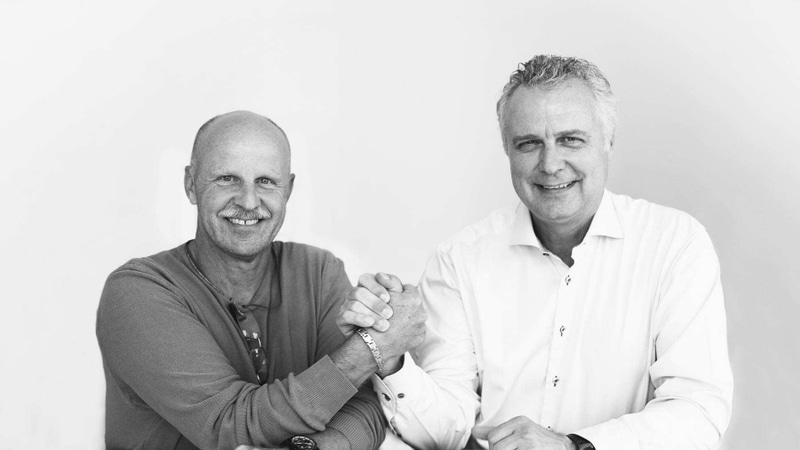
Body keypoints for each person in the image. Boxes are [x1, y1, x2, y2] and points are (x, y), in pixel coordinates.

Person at [338, 55, 734, 449]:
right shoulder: (458, 260)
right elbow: (447, 431)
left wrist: (571, 446)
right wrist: (389, 357)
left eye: (570, 139)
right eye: (529, 144)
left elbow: (698, 411)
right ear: (507, 150)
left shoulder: (674, 244)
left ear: (608, 141)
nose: (550, 164)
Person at [96, 110, 427, 450]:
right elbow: (230, 427)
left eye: (266, 181)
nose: (248, 201)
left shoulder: (317, 272)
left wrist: (311, 449)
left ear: (289, 190)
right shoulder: (137, 293)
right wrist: (373, 348)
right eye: (227, 178)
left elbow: (363, 402)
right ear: (191, 185)